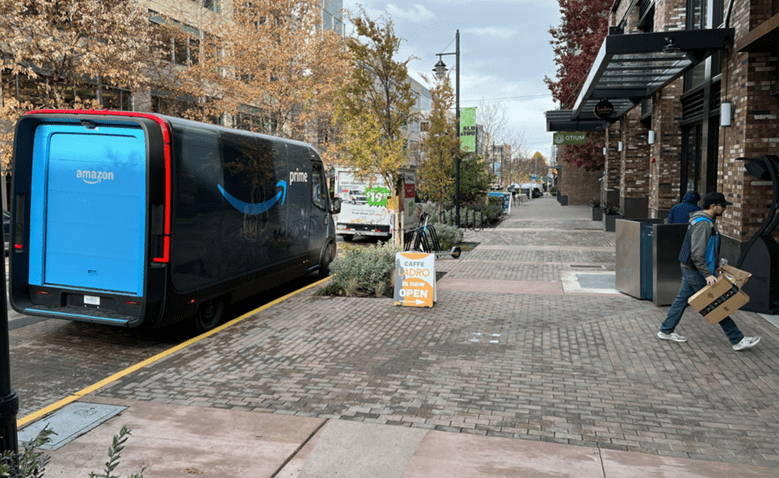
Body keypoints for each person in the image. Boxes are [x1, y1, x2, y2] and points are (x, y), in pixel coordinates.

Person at [658, 191, 761, 351]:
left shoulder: (702, 220)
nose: (724, 209)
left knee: (681, 300)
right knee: (715, 303)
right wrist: (707, 274)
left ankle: (666, 330)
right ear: (713, 206)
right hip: (695, 270)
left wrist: (715, 266)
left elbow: (705, 250)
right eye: (722, 206)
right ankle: (737, 339)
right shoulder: (703, 224)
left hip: (690, 267)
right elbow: (697, 253)